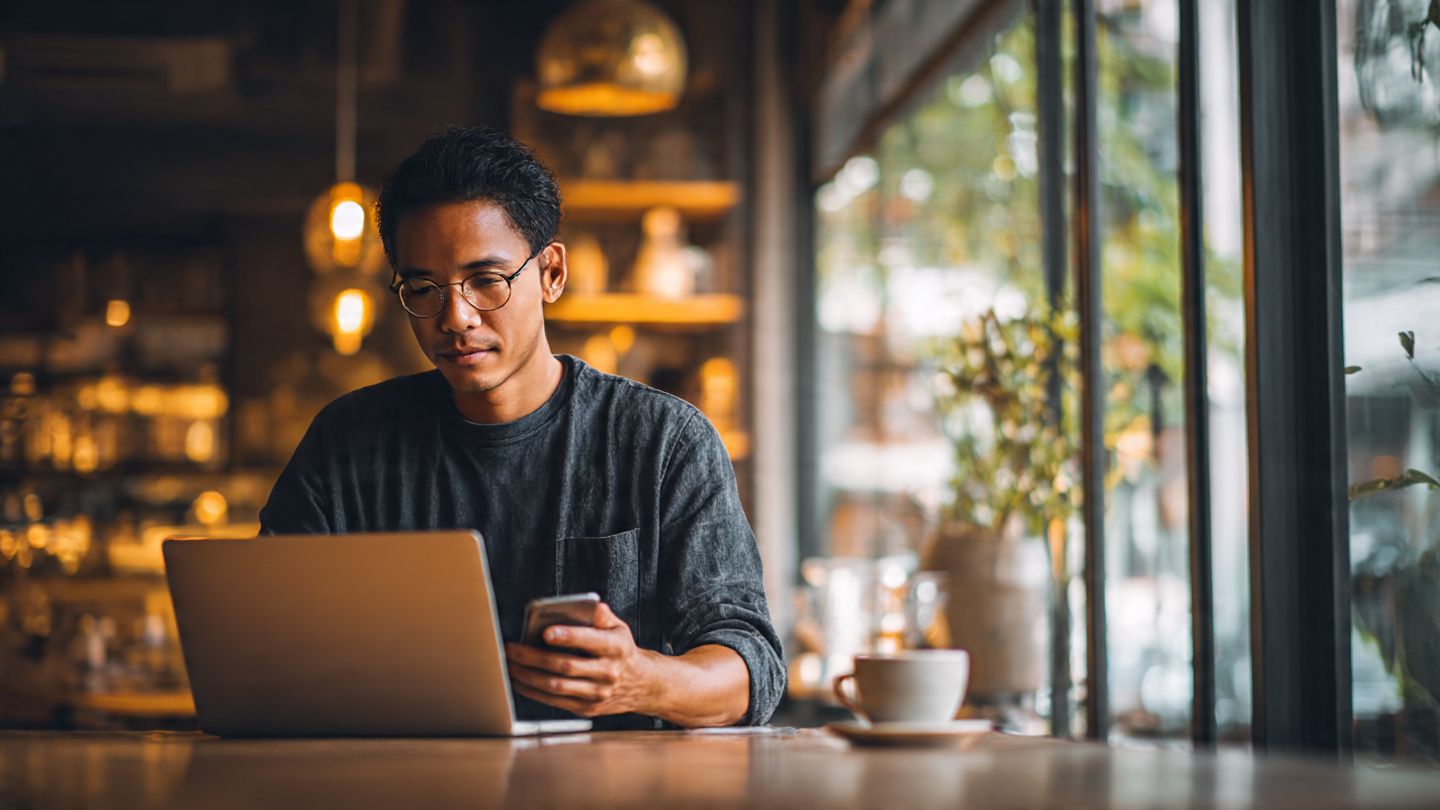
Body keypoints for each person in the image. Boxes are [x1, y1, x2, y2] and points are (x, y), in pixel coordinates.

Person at [257, 125, 784, 729]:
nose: (455, 318)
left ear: (551, 274)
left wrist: (643, 679)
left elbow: (752, 667)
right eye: (424, 288)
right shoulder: (347, 442)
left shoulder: (664, 442)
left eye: (487, 281)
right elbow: (267, 638)